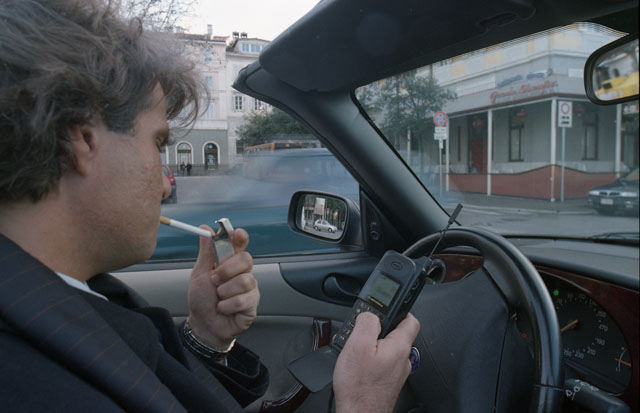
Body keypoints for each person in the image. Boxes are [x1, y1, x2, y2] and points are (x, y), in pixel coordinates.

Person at [0, 1, 420, 412]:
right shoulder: (34, 383)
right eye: (157, 143)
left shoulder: (72, 297)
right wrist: (362, 403)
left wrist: (205, 337)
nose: (165, 186)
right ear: (81, 142)